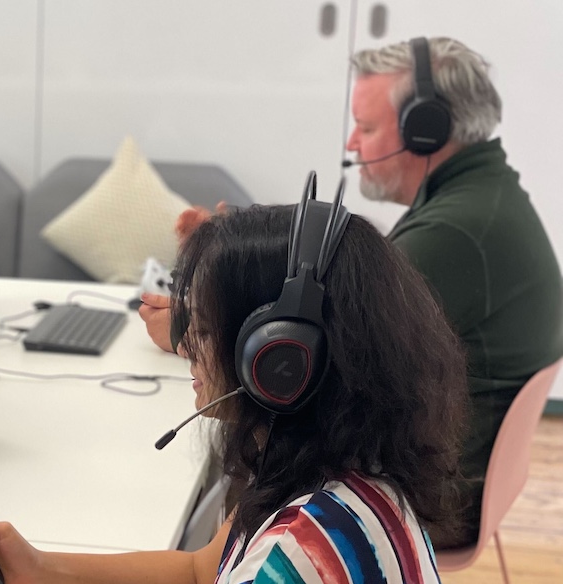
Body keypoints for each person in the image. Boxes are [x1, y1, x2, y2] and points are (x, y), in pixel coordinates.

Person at [0, 203, 466, 584]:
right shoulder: (345, 471)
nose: (183, 348)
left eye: (201, 329)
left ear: (278, 362)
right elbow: (204, 577)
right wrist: (38, 570)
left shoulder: (305, 552)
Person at [141, 38, 563, 547]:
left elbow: (307, 349)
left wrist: (198, 323)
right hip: (447, 459)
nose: (352, 145)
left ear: (424, 131)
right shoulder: (479, 198)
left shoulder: (457, 231)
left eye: (366, 128)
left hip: (425, 491)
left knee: (261, 429)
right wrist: (227, 266)